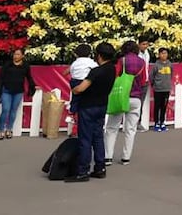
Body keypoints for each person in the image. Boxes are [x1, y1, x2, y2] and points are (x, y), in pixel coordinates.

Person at [66, 41, 117, 182]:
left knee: (85, 139)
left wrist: (73, 88)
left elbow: (81, 88)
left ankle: (83, 171)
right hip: (102, 105)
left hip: (88, 106)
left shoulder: (96, 71)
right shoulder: (112, 69)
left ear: (99, 55)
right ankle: (100, 167)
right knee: (98, 137)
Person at [104, 40, 147, 165]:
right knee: (131, 129)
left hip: (121, 96)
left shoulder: (121, 61)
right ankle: (125, 157)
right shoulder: (142, 62)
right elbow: (144, 80)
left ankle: (108, 157)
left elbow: (115, 76)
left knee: (112, 127)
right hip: (136, 97)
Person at [0, 48, 36, 140]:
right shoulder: (7, 65)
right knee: (5, 109)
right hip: (7, 90)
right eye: (14, 54)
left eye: (18, 54)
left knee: (13, 111)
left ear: (22, 56)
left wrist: (33, 86)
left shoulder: (25, 66)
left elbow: (29, 78)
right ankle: (1, 130)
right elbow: (1, 77)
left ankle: (9, 129)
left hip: (18, 91)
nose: (15, 56)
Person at [63, 44, 97, 124]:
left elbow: (65, 72)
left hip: (75, 82)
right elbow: (97, 70)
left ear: (76, 54)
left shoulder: (75, 63)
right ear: (89, 53)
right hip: (86, 82)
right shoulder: (91, 62)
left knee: (75, 98)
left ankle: (71, 113)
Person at [149, 47, 174, 131]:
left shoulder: (170, 64)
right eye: (162, 53)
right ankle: (156, 123)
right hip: (158, 89)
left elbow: (171, 75)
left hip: (166, 89)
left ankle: (162, 122)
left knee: (164, 107)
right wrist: (154, 84)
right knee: (157, 107)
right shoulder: (156, 65)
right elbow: (151, 76)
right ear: (159, 55)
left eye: (165, 53)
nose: (164, 55)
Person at [137, 36, 153, 131]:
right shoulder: (136, 54)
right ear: (138, 44)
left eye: (147, 44)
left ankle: (138, 123)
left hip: (145, 81)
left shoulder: (147, 53)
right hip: (137, 82)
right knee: (135, 103)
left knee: (141, 103)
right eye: (143, 44)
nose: (145, 46)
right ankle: (131, 123)